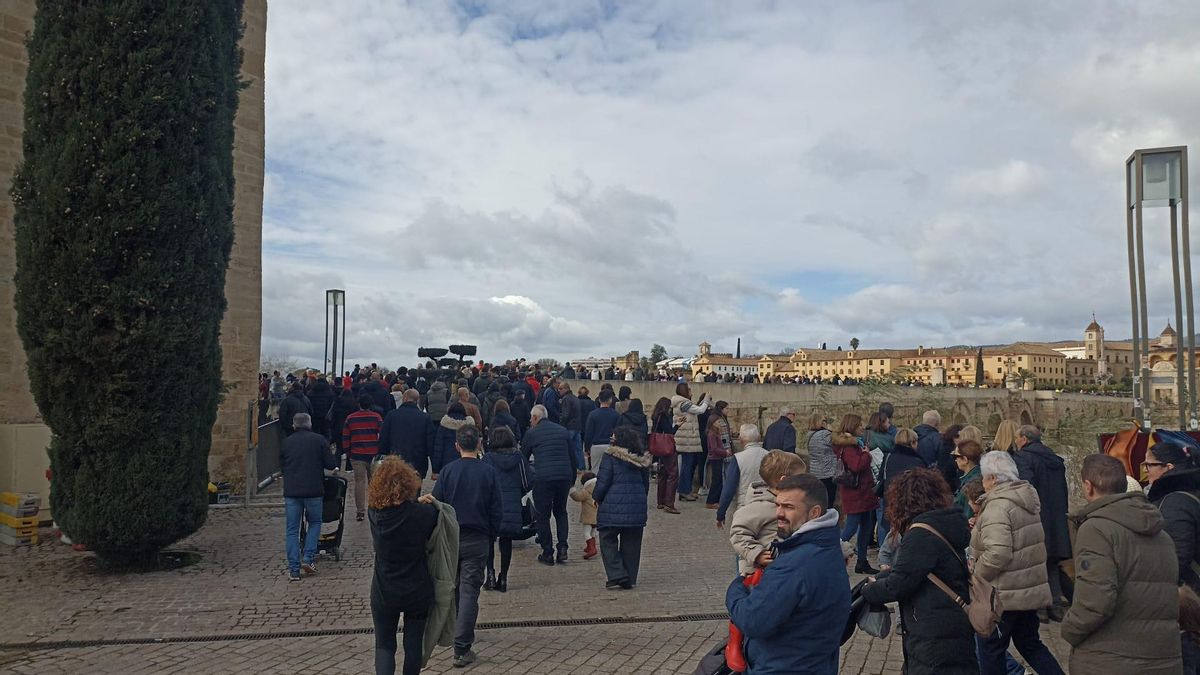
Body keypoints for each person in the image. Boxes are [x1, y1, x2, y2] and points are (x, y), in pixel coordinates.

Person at [1061, 454, 1180, 674]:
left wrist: (1069, 629)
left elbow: (1096, 601)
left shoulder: (1096, 529)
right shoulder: (1161, 532)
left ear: (1088, 486)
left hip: (1110, 659)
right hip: (1162, 656)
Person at [725, 474, 851, 674]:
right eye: (778, 505)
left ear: (814, 513)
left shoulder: (796, 564)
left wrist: (735, 590)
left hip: (783, 666)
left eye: (789, 507)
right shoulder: (828, 544)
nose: (779, 513)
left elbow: (753, 621)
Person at [861, 468, 977, 675]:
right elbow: (914, 570)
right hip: (950, 620)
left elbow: (899, 584)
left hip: (933, 629)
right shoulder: (945, 524)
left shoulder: (921, 534)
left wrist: (869, 590)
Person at [972, 451, 1063, 675]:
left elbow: (998, 553)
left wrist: (977, 573)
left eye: (984, 478)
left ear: (993, 478)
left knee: (991, 649)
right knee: (1030, 643)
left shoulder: (997, 506)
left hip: (1004, 594)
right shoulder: (1025, 499)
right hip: (1026, 588)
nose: (983, 484)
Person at [426, 425, 502, 669]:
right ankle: (461, 645)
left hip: (452, 537)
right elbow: (496, 509)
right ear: (479, 444)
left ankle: (454, 631)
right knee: (469, 590)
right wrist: (491, 533)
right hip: (477, 536)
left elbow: (436, 507)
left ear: (457, 445)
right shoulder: (488, 472)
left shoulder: (448, 471)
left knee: (455, 586)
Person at [368, 457, 438, 675]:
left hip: (384, 588)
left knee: (384, 645)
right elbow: (433, 515)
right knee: (413, 645)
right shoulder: (422, 514)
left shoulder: (375, 514)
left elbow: (392, 509)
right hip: (416, 586)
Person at [1013, 425, 1070, 619]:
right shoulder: (1053, 457)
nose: (1016, 442)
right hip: (1056, 516)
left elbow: (1026, 489)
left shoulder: (1023, 458)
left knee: (1036, 563)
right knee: (1051, 562)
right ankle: (1055, 605)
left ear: (1024, 439)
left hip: (1038, 517)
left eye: (1017, 438)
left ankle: (1041, 608)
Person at [729, 450, 807, 575]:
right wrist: (756, 553)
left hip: (787, 568)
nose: (805, 482)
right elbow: (738, 533)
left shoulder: (798, 503)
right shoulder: (759, 506)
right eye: (801, 477)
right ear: (784, 480)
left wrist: (841, 549)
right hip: (760, 574)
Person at [593, 426, 652, 589]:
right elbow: (645, 486)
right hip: (636, 508)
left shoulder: (610, 457)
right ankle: (630, 577)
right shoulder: (642, 460)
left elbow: (603, 482)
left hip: (612, 507)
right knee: (632, 543)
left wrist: (596, 497)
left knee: (607, 538)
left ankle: (617, 573)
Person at [280, 413, 337, 581]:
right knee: (315, 522)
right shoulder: (319, 440)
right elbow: (330, 463)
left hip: (292, 490)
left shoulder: (286, 443)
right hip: (313, 489)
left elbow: (283, 466)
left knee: (292, 529)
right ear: (309, 424)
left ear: (294, 425)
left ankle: (294, 569)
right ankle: (308, 557)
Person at [522, 404, 577, 565]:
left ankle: (547, 551)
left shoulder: (532, 433)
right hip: (563, 476)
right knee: (561, 512)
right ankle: (562, 548)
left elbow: (523, 458)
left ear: (535, 418)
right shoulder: (562, 431)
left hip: (543, 477)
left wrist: (528, 479)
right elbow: (572, 456)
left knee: (542, 515)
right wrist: (572, 478)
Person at [480, 427, 530, 593]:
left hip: (491, 504)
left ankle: (491, 575)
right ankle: (504, 577)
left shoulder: (487, 459)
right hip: (511, 503)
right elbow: (527, 482)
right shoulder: (519, 459)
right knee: (506, 540)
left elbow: (483, 483)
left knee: (489, 539)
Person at [833, 414, 879, 574]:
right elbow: (856, 465)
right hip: (856, 493)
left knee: (866, 528)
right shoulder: (848, 447)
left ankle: (862, 561)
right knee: (851, 527)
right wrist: (867, 454)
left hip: (863, 492)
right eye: (859, 425)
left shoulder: (855, 444)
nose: (862, 427)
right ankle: (831, 552)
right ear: (852, 426)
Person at [715, 424, 769, 528]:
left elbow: (729, 488)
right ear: (758, 438)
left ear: (740, 439)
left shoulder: (738, 459)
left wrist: (721, 513)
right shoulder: (770, 456)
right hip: (767, 505)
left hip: (746, 505)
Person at [344, 395, 384, 521]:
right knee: (374, 482)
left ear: (359, 404)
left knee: (359, 482)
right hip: (373, 454)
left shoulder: (350, 418)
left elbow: (345, 437)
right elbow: (382, 435)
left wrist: (348, 452)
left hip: (357, 454)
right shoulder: (376, 417)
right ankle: (375, 507)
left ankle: (360, 511)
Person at [378, 389, 434, 479]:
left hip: (395, 460)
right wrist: (435, 468)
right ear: (417, 400)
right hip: (418, 461)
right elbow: (430, 443)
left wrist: (381, 456)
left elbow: (383, 439)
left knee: (396, 489)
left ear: (404, 398)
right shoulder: (425, 418)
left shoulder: (392, 415)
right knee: (415, 489)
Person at [671, 382, 711, 502]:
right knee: (687, 467)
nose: (691, 392)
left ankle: (686, 490)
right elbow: (700, 410)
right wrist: (706, 400)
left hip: (683, 437)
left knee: (686, 465)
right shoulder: (684, 403)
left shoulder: (678, 403)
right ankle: (684, 491)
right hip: (687, 439)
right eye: (689, 390)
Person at [650, 396, 680, 514]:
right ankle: (669, 503)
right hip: (667, 448)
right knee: (673, 474)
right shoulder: (664, 417)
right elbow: (669, 432)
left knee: (662, 473)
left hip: (658, 448)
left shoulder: (656, 416)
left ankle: (661, 501)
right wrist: (678, 425)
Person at [431, 402, 473, 479]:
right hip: (466, 462)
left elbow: (438, 448)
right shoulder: (469, 426)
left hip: (447, 463)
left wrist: (435, 469)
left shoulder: (444, 424)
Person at [806, 412, 838, 508]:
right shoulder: (825, 434)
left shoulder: (809, 435)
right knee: (829, 501)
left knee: (820, 501)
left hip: (816, 472)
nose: (825, 422)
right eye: (824, 420)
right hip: (828, 472)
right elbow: (837, 442)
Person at [583, 390, 620, 472]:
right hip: (610, 445)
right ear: (610, 400)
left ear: (599, 400)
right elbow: (618, 432)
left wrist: (586, 448)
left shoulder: (592, 414)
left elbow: (588, 433)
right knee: (610, 470)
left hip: (596, 445)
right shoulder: (616, 415)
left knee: (596, 470)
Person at [569, 470, 599, 561]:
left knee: (586, 533)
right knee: (592, 532)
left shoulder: (586, 491)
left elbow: (577, 497)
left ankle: (592, 548)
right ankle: (590, 546)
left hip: (588, 517)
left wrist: (572, 490)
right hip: (596, 517)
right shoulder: (598, 489)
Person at [705, 414, 732, 510]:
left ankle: (716, 500)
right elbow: (714, 448)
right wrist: (725, 452)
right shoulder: (711, 434)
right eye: (717, 422)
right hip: (715, 458)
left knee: (718, 480)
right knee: (716, 480)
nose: (719, 423)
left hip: (718, 457)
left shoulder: (716, 432)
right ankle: (711, 501)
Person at [951, 440, 983, 517]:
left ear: (965, 459)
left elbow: (968, 513)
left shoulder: (972, 483)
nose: (955, 460)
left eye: (956, 456)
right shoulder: (976, 475)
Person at [306, 375, 336, 440]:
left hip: (315, 415)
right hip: (325, 416)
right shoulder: (329, 392)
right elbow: (332, 404)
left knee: (315, 432)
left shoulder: (312, 391)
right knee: (325, 432)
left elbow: (308, 403)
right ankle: (325, 446)